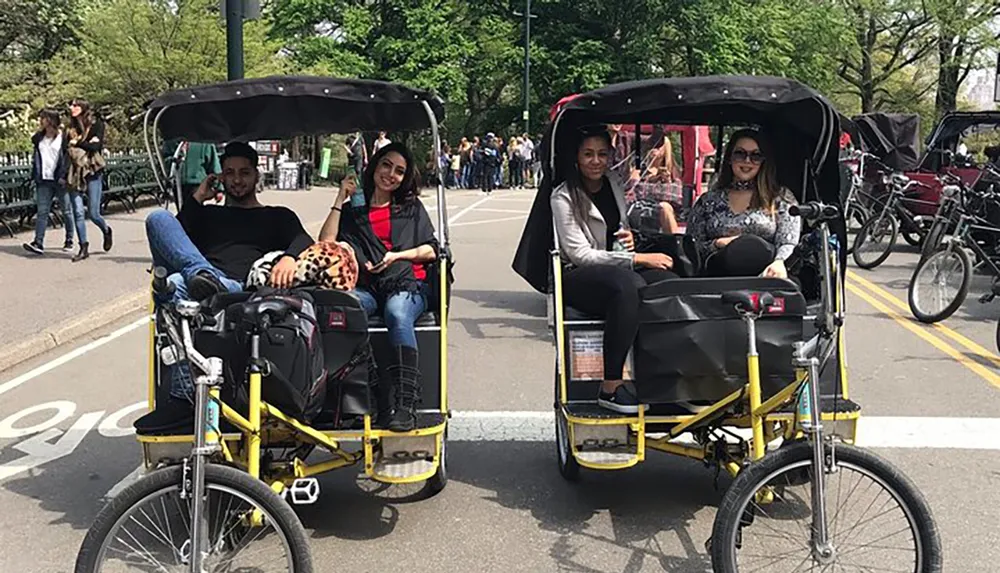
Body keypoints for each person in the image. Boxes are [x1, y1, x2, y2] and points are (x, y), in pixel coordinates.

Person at [146, 141, 315, 402]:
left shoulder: (277, 215)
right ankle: (201, 272)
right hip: (201, 282)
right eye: (230, 173)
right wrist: (198, 198)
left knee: (176, 282)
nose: (236, 180)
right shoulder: (206, 214)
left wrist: (290, 258)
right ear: (220, 177)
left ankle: (182, 393)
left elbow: (305, 241)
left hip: (239, 288)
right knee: (157, 219)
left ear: (256, 175)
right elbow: (169, 240)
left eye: (244, 172)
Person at [551, 127, 678, 414]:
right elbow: (580, 254)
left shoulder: (613, 183)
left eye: (602, 154)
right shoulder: (563, 196)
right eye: (588, 154)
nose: (595, 161)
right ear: (576, 158)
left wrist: (630, 240)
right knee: (628, 284)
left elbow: (619, 228)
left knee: (667, 282)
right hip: (578, 275)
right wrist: (638, 259)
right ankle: (610, 386)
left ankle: (664, 377)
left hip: (617, 266)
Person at [318, 142, 438, 432]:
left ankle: (405, 403)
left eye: (399, 171)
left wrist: (397, 256)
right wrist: (339, 198)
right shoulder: (354, 208)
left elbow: (432, 250)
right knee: (343, 307)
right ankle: (371, 391)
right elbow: (325, 242)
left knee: (397, 312)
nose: (390, 175)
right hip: (368, 285)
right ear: (375, 165)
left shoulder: (410, 208)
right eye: (386, 165)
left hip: (407, 281)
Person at [686, 128, 800, 278]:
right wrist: (718, 243)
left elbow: (788, 242)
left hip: (766, 279)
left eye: (756, 156)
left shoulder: (780, 198)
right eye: (740, 154)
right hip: (714, 281)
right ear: (729, 158)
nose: (747, 161)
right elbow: (691, 246)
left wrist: (779, 262)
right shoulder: (708, 201)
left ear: (763, 161)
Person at [23, 108, 75, 255]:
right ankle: (38, 242)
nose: (41, 121)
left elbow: (68, 158)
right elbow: (36, 147)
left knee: (66, 210)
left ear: (51, 120)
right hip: (43, 179)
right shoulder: (39, 138)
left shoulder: (63, 138)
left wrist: (64, 176)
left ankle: (69, 239)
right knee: (42, 211)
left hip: (59, 179)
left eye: (43, 118)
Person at [67, 98, 113, 261]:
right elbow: (66, 151)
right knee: (78, 212)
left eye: (75, 105)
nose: (71, 108)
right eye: (71, 105)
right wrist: (84, 142)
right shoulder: (70, 129)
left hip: (92, 171)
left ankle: (106, 230)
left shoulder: (96, 125)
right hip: (74, 173)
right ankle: (83, 247)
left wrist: (78, 142)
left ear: (84, 107)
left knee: (93, 213)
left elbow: (96, 147)